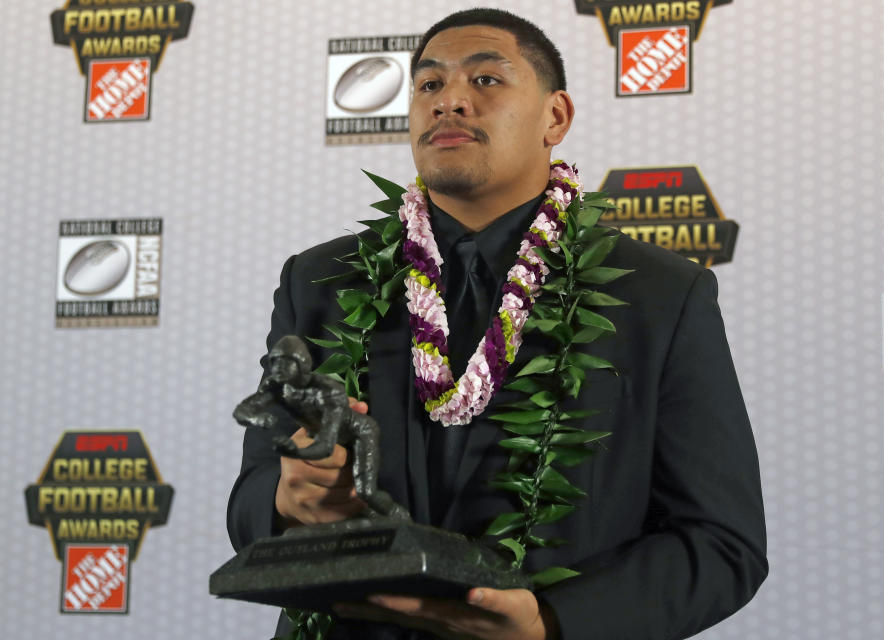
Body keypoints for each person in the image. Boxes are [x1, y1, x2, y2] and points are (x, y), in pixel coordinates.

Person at [227, 8, 767, 640]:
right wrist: (288, 503)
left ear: (555, 117)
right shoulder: (319, 281)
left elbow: (721, 544)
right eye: (429, 85)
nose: (449, 101)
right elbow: (252, 499)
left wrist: (552, 626)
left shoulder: (660, 294)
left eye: (485, 80)